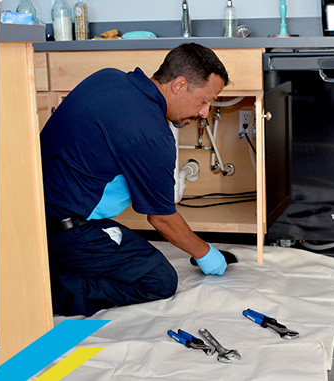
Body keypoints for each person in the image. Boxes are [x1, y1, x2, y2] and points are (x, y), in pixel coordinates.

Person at [40, 43, 231, 316]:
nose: (205, 112)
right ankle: (46, 289)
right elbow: (162, 218)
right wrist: (206, 253)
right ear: (178, 85)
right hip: (61, 229)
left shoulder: (107, 77)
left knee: (130, 247)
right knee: (158, 279)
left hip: (32, 211)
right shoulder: (151, 135)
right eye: (204, 100)